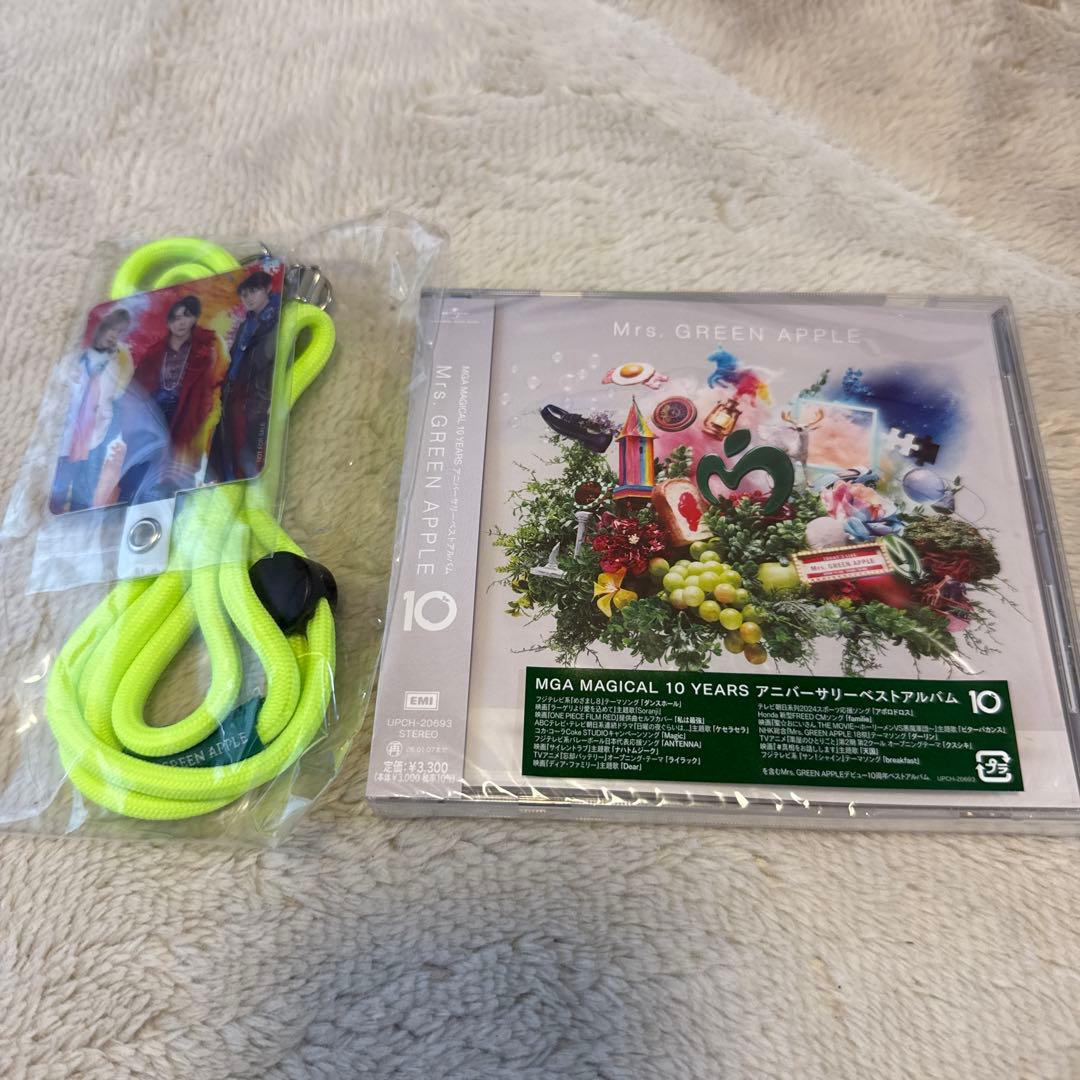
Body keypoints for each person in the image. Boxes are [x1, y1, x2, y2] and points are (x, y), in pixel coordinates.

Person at [119, 295, 229, 504]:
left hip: (190, 414)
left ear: (194, 318)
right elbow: (135, 390)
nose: (181, 322)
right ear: (168, 322)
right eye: (175, 318)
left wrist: (207, 412)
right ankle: (136, 500)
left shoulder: (209, 345)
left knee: (179, 474)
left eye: (186, 316)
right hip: (154, 416)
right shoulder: (155, 352)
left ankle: (176, 503)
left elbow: (218, 380)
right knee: (144, 470)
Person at [51, 307, 134, 513]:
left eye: (120, 332)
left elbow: (113, 399)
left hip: (95, 436)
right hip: (67, 433)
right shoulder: (78, 357)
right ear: (102, 327)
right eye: (112, 329)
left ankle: (77, 519)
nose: (114, 335)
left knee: (84, 489)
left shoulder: (116, 365)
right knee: (58, 485)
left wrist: (104, 426)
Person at [208, 270, 280, 483]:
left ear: (268, 289)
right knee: (230, 447)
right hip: (235, 394)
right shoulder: (246, 324)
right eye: (244, 294)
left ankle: (252, 487)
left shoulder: (277, 319)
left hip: (256, 397)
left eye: (254, 291)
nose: (248, 298)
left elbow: (269, 360)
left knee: (249, 452)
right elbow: (235, 359)